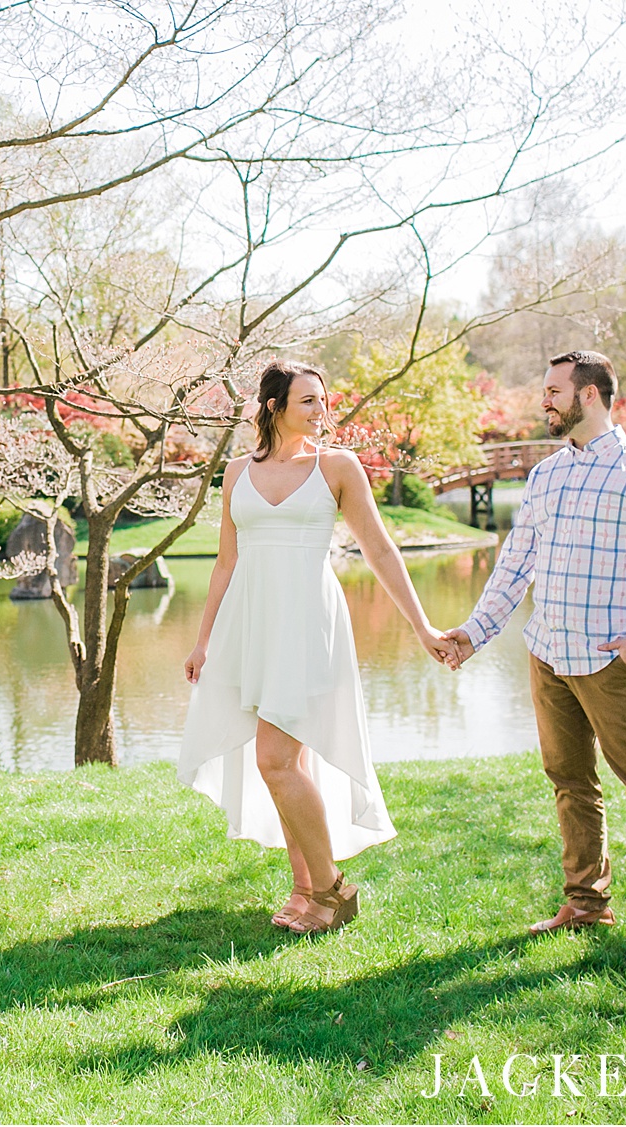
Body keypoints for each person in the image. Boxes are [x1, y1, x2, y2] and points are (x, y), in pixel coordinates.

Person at [438, 350, 626, 961]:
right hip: (548, 654)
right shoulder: (546, 474)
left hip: (613, 662)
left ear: (589, 396)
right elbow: (517, 563)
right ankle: (587, 901)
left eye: (554, 390)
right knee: (569, 781)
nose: (545, 401)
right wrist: (474, 633)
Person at [180, 360, 457, 936]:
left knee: (273, 760)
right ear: (273, 407)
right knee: (290, 761)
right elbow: (226, 562)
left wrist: (423, 627)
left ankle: (332, 889)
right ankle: (305, 890)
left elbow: (380, 551)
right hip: (252, 626)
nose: (320, 411)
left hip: (308, 624)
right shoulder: (236, 472)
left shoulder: (337, 467)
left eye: (322, 400)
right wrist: (204, 641)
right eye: (307, 401)